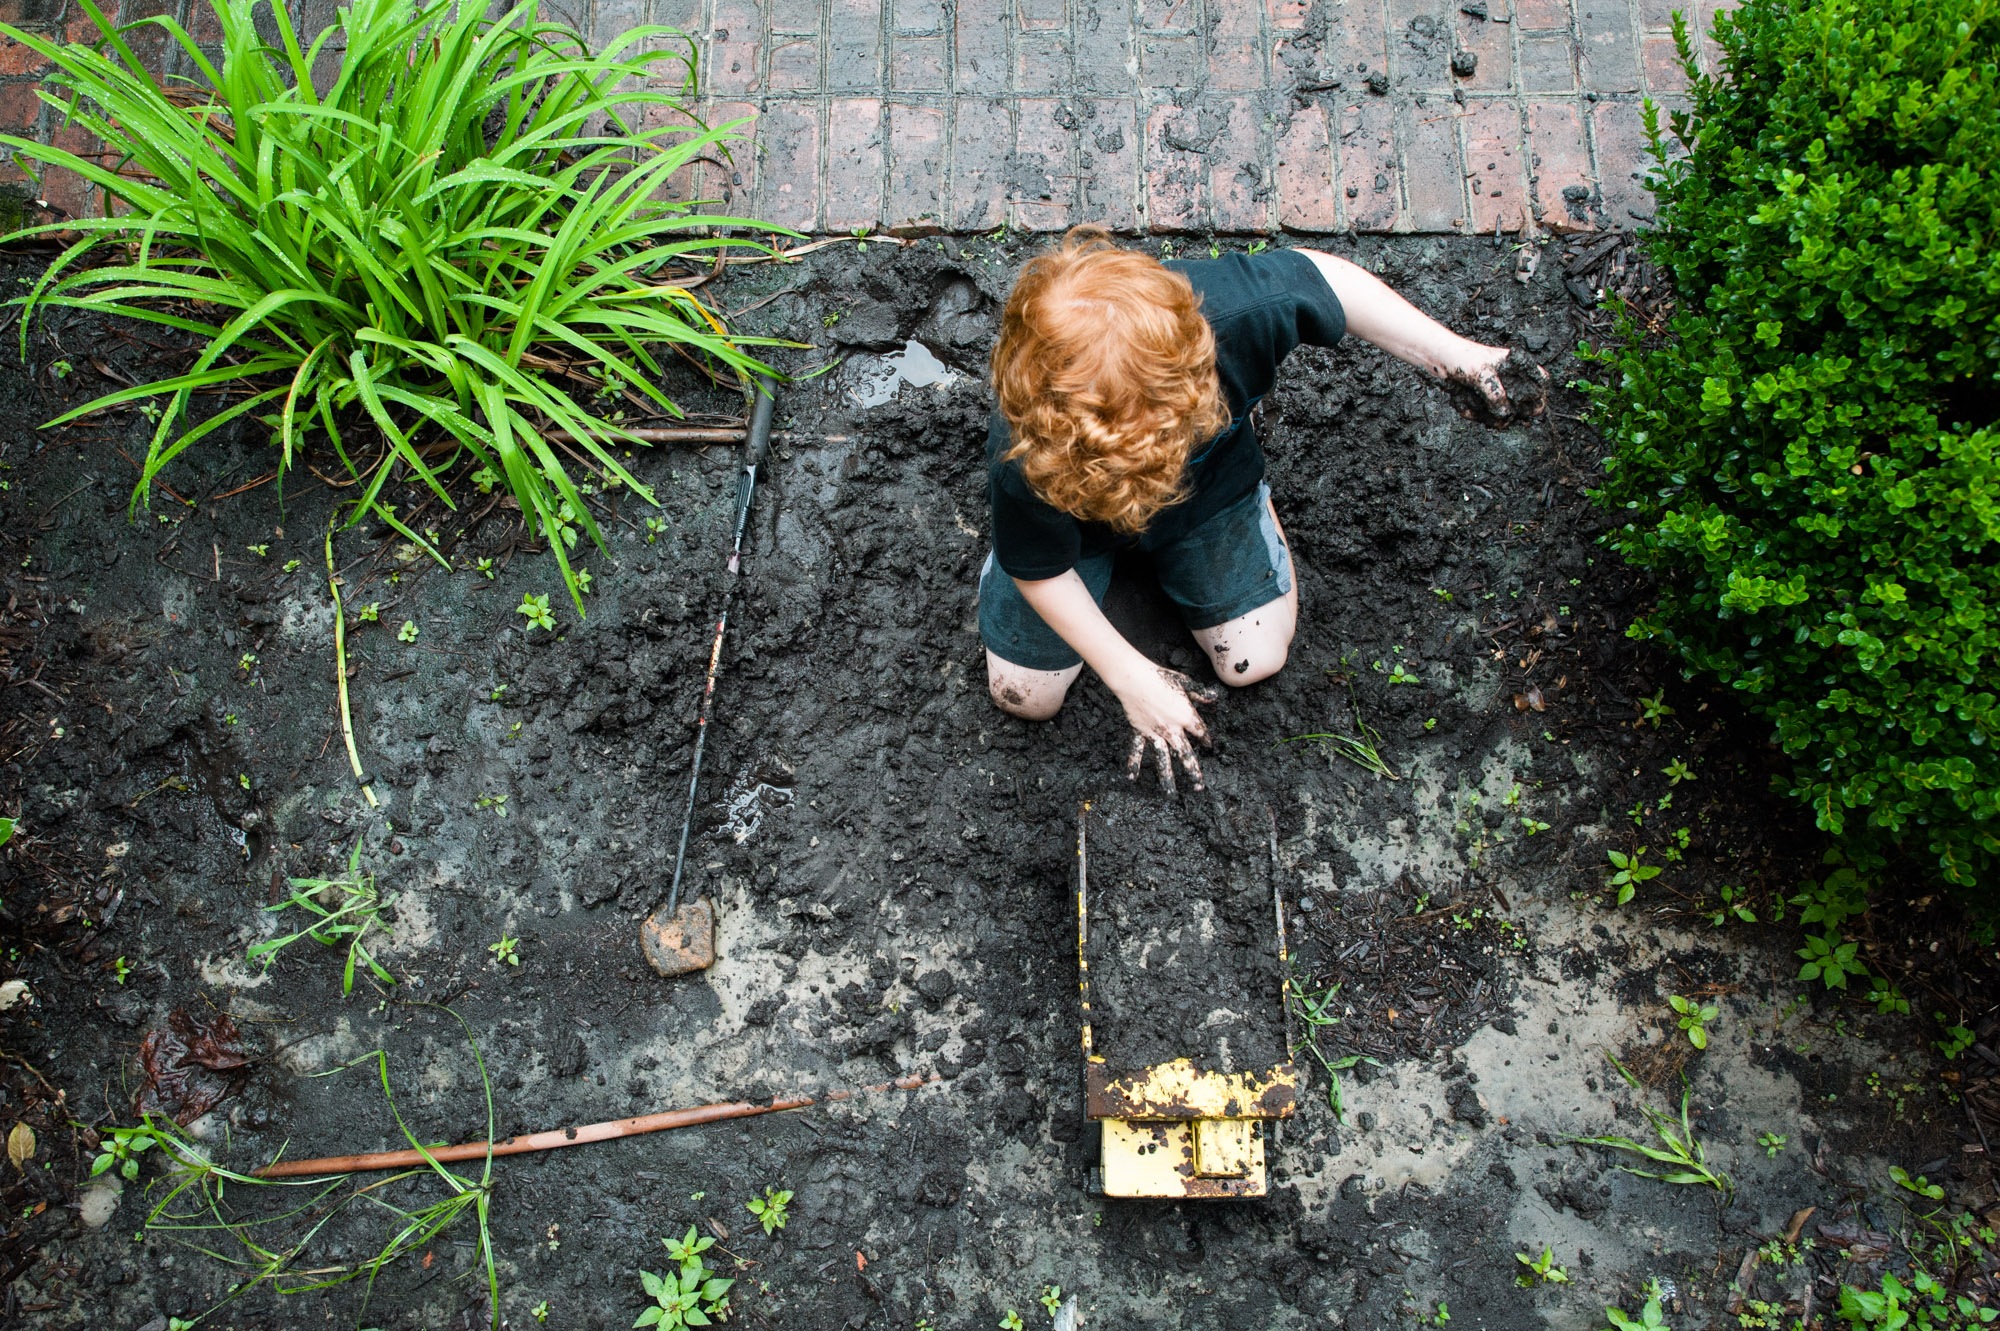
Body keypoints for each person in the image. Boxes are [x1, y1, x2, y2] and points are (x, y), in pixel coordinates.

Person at [980, 226, 1520, 793]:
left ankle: (1236, 529)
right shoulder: (1026, 447)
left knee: (1254, 659)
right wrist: (1130, 676)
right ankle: (1079, 576)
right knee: (1024, 696)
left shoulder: (1234, 316)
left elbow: (1328, 281)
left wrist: (1460, 358)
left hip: (1206, 497)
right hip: (1074, 540)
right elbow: (1038, 567)